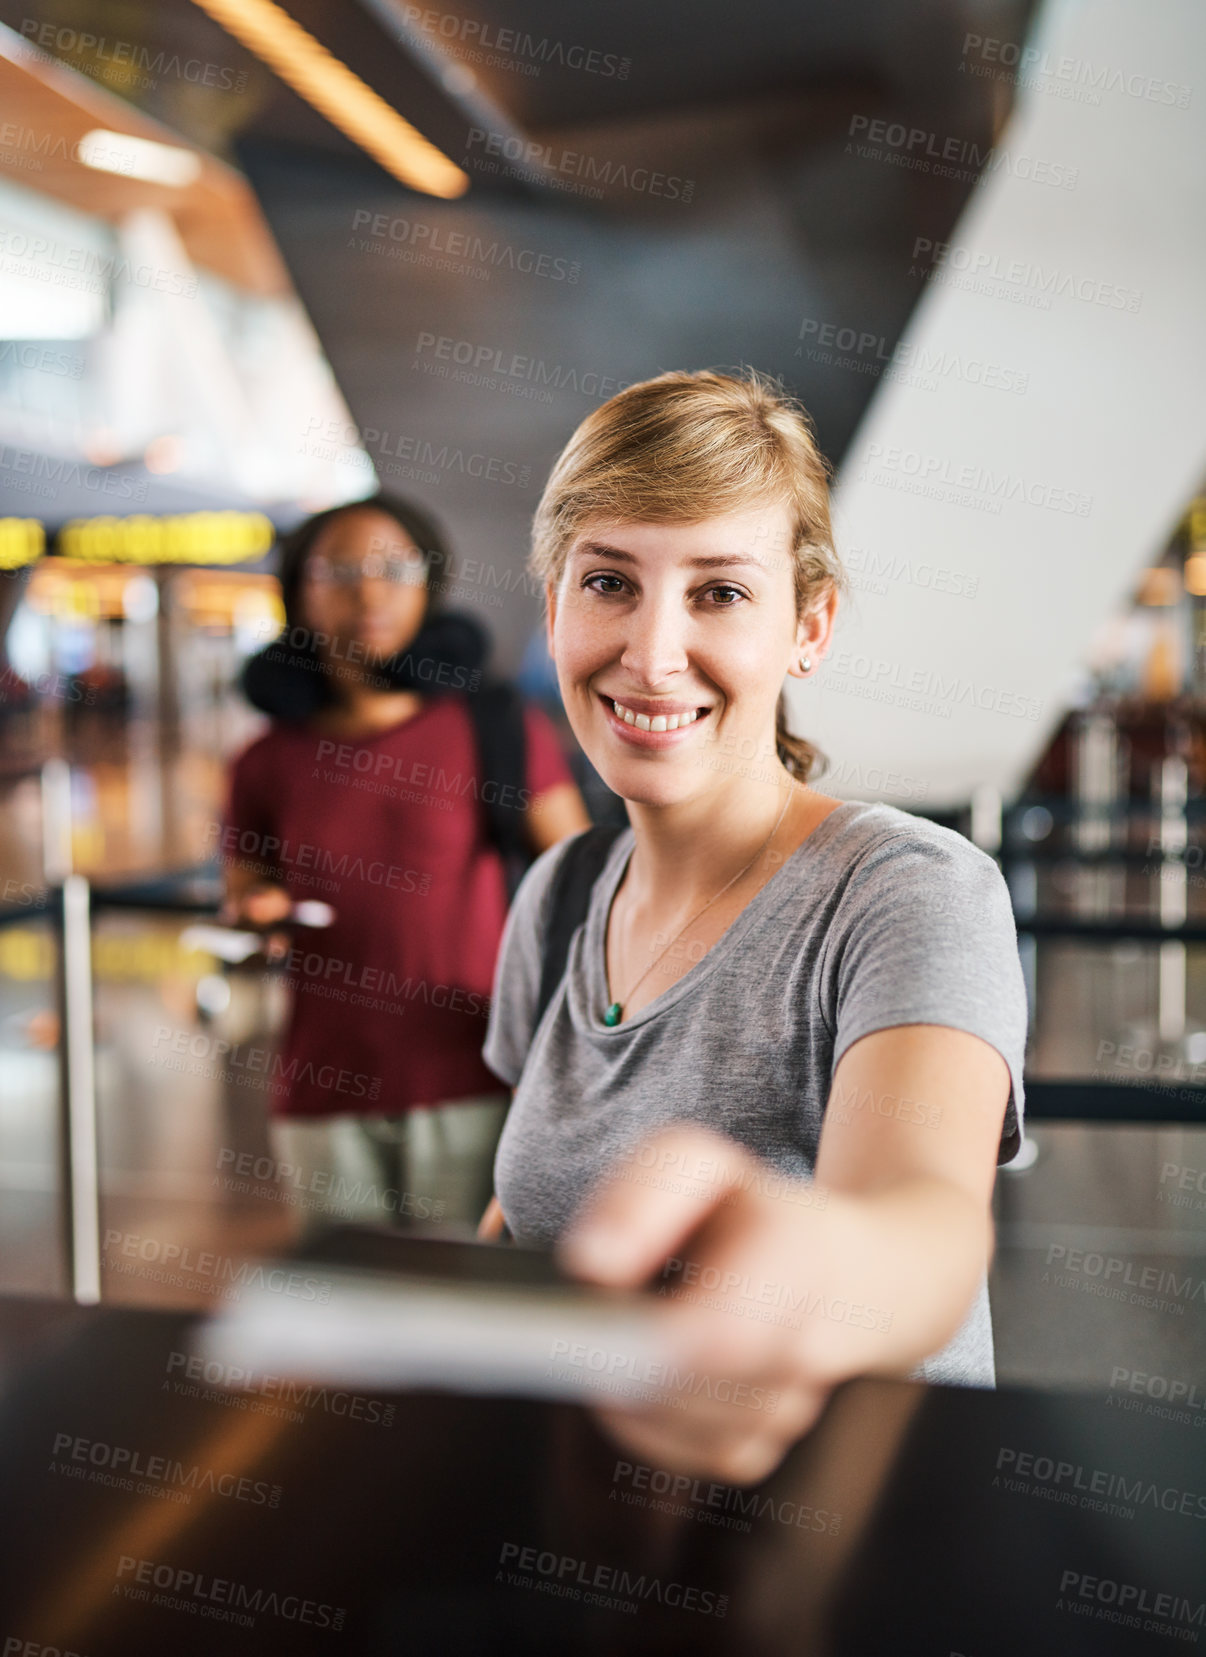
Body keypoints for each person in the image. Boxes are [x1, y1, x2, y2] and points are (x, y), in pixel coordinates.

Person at [480, 370, 1027, 1482]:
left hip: (861, 1556)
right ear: (554, 608)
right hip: (596, 1542)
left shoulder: (905, 891)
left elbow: (926, 1220)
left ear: (808, 627)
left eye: (720, 593)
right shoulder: (563, 894)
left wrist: (814, 1273)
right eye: (608, 583)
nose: (650, 652)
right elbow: (521, 1216)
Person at [222, 494, 590, 1230]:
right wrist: (256, 911)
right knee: (346, 1314)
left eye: (395, 567)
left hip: (470, 1073)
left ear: (430, 585)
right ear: (297, 590)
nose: (369, 589)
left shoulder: (494, 726)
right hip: (321, 1082)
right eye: (340, 570)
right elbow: (246, 887)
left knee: (458, 1305)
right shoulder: (265, 760)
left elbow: (584, 879)